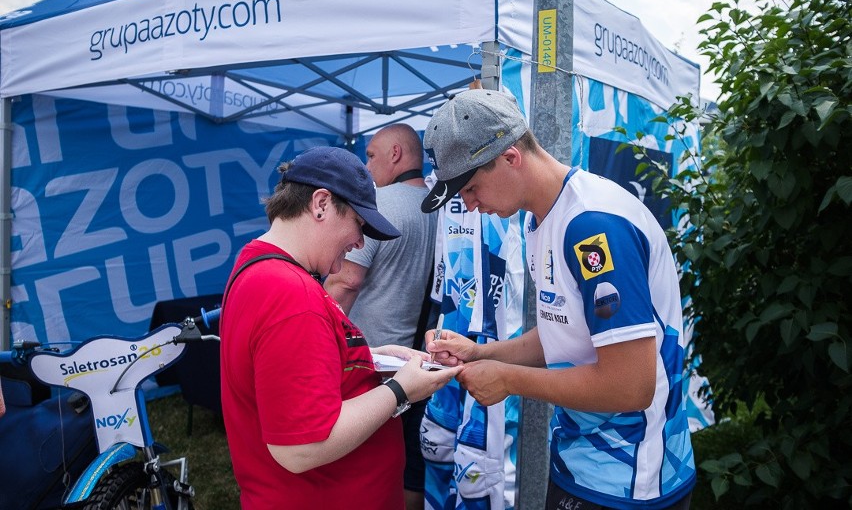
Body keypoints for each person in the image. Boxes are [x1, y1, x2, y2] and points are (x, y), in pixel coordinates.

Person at [421, 89, 696, 509]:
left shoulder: (592, 225)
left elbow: (631, 386)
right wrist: (479, 354)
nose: (470, 206)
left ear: (511, 157)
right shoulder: (540, 220)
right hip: (578, 465)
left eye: (472, 187)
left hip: (631, 480)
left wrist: (509, 380)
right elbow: (561, 333)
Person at [220, 146, 462, 510]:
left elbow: (286, 371)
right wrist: (401, 390)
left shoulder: (258, 266)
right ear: (320, 204)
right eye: (358, 224)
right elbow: (301, 447)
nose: (359, 242)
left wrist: (369, 358)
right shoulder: (292, 296)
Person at [324, 124, 437, 509]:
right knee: (407, 465)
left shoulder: (382, 203)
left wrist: (318, 340)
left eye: (372, 155)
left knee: (359, 466)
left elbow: (346, 281)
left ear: (395, 154)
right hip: (415, 362)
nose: (366, 165)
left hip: (368, 361)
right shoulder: (440, 209)